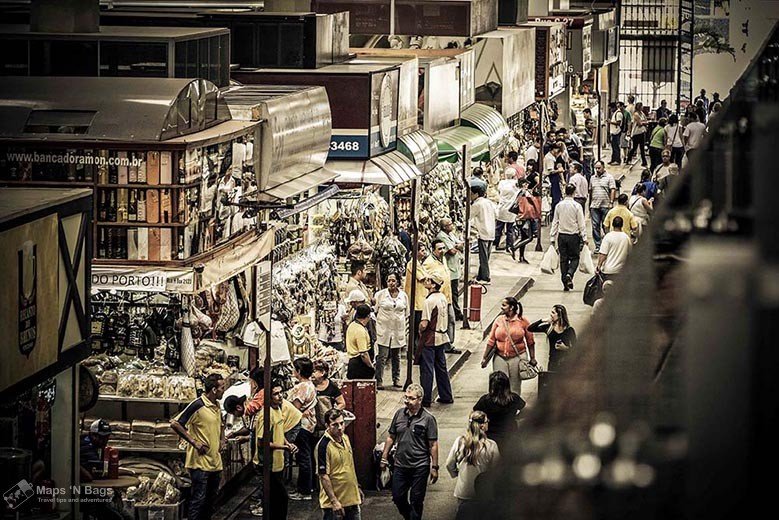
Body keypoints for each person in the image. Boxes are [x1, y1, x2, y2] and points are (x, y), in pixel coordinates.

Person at [380, 384, 440, 520]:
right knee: (397, 497)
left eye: (411, 398)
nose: (407, 401)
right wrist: (384, 458)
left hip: (420, 466)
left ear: (420, 400)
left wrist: (435, 467)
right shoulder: (399, 414)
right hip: (400, 465)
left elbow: (433, 444)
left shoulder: (428, 419)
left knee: (416, 501)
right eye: (406, 398)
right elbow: (391, 437)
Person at [170, 374, 226, 520]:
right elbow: (175, 423)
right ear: (214, 390)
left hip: (215, 462)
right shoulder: (198, 405)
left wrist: (222, 439)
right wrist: (194, 442)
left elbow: (221, 424)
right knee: (198, 501)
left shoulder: (217, 405)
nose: (224, 390)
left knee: (210, 501)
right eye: (222, 388)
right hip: (200, 463)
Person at [255, 381, 299, 520]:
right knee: (277, 500)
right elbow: (263, 442)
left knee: (278, 501)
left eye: (281, 393)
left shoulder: (278, 409)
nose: (280, 396)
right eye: (276, 394)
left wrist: (288, 444)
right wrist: (283, 447)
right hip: (268, 464)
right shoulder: (265, 416)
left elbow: (279, 433)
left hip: (278, 463)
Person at [445, 411, 500, 518]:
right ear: (483, 426)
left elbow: (449, 463)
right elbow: (497, 469)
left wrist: (457, 473)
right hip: (484, 491)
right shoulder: (491, 445)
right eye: (487, 421)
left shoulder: (460, 441)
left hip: (464, 490)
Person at [480, 297, 536, 397]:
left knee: (514, 386)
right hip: (500, 357)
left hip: (517, 358)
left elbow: (530, 342)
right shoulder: (498, 320)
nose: (501, 308)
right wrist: (485, 357)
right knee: (499, 383)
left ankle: (514, 407)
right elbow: (491, 340)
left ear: (512, 307)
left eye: (504, 305)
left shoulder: (523, 321)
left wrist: (532, 358)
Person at [79, 420, 133, 520]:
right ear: (92, 434)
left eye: (107, 437)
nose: (105, 441)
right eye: (102, 437)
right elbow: (101, 471)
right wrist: (128, 472)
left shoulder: (93, 444)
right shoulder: (86, 447)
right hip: (82, 494)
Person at [316, 409, 363, 520]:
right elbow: (323, 476)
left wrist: (357, 487)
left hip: (352, 500)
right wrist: (334, 501)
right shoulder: (323, 446)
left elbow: (349, 466)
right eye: (335, 425)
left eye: (342, 423)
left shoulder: (345, 439)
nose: (340, 427)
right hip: (335, 505)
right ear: (327, 425)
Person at [418, 272, 455, 406]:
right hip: (442, 336)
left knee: (427, 369)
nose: (426, 281)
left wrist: (420, 329)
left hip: (431, 337)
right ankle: (446, 395)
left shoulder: (429, 301)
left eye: (429, 280)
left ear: (433, 285)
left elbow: (424, 323)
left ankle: (426, 398)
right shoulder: (442, 298)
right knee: (441, 367)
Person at [472, 371, 525, 453]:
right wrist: (516, 417)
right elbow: (527, 409)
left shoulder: (485, 400)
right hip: (511, 437)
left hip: (491, 438)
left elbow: (473, 415)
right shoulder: (514, 399)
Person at [289, 357, 318, 500]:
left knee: (303, 457)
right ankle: (309, 487)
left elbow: (295, 408)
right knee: (308, 456)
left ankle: (304, 491)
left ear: (299, 371)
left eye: (294, 369)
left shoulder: (301, 387)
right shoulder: (311, 385)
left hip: (302, 425)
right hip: (310, 424)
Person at [423, 239, 458, 352]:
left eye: (443, 248)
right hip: (437, 299)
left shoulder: (443, 259)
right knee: (440, 324)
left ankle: (449, 344)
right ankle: (444, 345)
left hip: (447, 297)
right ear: (433, 250)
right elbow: (426, 280)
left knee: (451, 319)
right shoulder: (428, 263)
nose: (442, 251)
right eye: (439, 249)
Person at [551, 184, 588, 291]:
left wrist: (552, 238)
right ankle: (570, 274)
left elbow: (555, 222)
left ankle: (564, 282)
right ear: (574, 193)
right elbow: (581, 223)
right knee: (575, 257)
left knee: (563, 259)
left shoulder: (559, 205)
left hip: (562, 236)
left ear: (565, 192)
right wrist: (584, 237)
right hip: (573, 236)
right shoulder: (577, 206)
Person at [374, 272, 407, 389]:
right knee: (382, 356)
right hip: (384, 330)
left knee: (396, 356)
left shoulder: (403, 296)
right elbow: (375, 310)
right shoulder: (380, 295)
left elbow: (405, 312)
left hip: (397, 331)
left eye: (393, 281)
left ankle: (396, 379)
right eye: (389, 281)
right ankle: (379, 380)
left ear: (398, 282)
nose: (391, 283)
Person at [528, 305, 577, 372]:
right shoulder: (549, 328)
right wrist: (542, 320)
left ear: (559, 315)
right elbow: (530, 328)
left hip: (566, 363)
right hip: (553, 362)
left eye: (553, 313)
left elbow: (577, 348)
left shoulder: (569, 330)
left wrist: (565, 348)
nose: (551, 315)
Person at [436, 218, 464, 321]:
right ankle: (456, 313)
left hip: (455, 268)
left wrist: (457, 246)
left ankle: (456, 311)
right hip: (449, 269)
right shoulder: (441, 237)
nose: (452, 226)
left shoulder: (451, 235)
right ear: (444, 227)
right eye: (449, 224)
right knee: (452, 292)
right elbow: (451, 251)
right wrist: (457, 247)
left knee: (454, 291)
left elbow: (461, 244)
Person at [470, 185, 497, 284]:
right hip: (491, 231)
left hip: (483, 232)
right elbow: (496, 214)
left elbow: (468, 216)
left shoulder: (477, 204)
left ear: (476, 194)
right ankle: (481, 275)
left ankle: (485, 277)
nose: (470, 196)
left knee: (483, 257)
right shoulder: (489, 202)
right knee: (486, 255)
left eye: (471, 194)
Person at [589, 161, 617, 253]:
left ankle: (608, 246)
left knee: (606, 226)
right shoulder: (592, 178)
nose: (597, 170)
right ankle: (598, 246)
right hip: (594, 205)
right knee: (595, 226)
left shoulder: (609, 178)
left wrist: (611, 202)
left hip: (605, 205)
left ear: (603, 167)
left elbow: (612, 190)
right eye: (596, 168)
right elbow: (591, 192)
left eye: (599, 168)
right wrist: (590, 205)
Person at [405, 243, 430, 342]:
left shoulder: (419, 264)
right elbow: (423, 277)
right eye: (422, 250)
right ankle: (414, 350)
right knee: (416, 329)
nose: (424, 253)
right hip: (416, 302)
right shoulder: (412, 264)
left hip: (421, 300)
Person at [345, 304, 375, 379]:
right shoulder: (360, 331)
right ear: (368, 316)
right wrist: (371, 366)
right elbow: (363, 354)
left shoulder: (352, 325)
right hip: (360, 366)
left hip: (352, 364)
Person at [597, 216, 632, 280]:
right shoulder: (626, 238)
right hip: (621, 271)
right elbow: (630, 254)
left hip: (608, 271)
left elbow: (603, 254)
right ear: (622, 225)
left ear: (612, 225)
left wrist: (598, 266)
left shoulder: (608, 237)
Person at [494, 167, 521, 251]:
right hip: (511, 208)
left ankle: (496, 244)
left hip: (502, 207)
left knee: (499, 227)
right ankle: (509, 246)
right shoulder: (516, 183)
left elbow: (499, 191)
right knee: (510, 229)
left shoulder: (502, 183)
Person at [627, 102, 648, 166]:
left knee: (642, 148)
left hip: (642, 132)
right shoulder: (636, 114)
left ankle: (644, 162)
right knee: (634, 147)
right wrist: (644, 123)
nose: (642, 107)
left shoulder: (642, 113)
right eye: (641, 106)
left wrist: (644, 122)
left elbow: (645, 120)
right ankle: (628, 159)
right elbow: (640, 124)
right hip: (636, 133)